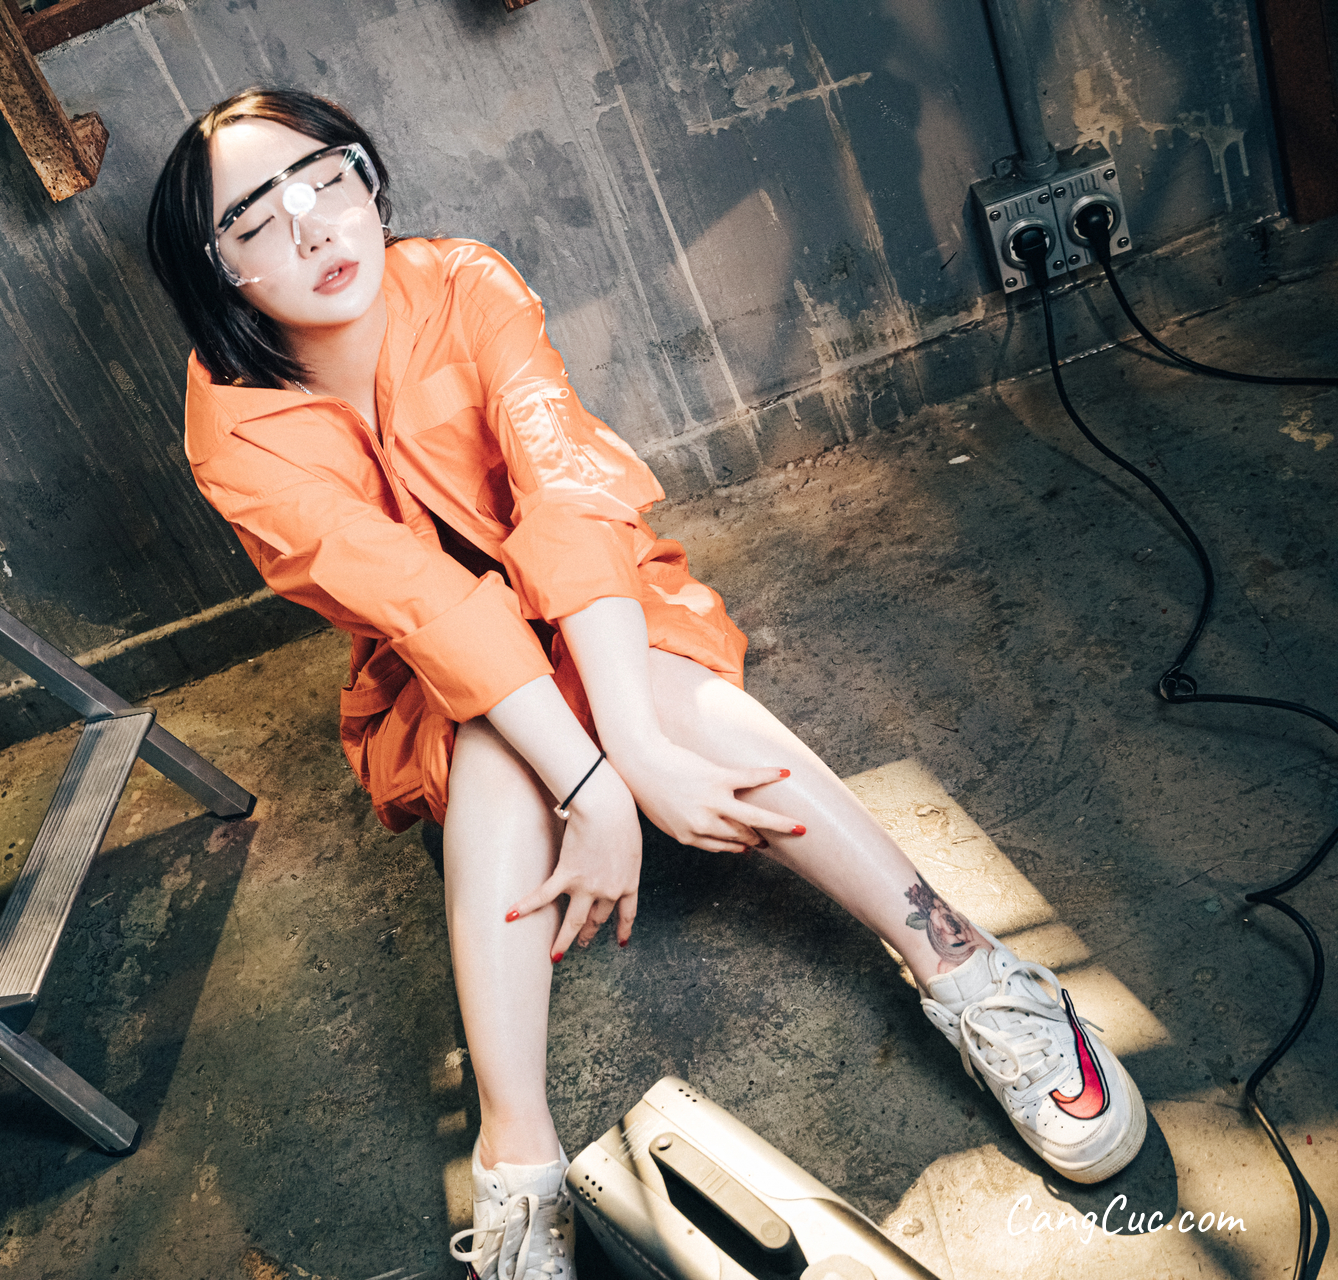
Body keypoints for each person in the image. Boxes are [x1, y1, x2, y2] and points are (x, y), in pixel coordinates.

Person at [147, 87, 1145, 1280]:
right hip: (439, 679)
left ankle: (963, 958)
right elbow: (422, 603)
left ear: (368, 178)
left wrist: (629, 736)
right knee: (494, 757)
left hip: (607, 611)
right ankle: (516, 1147)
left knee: (670, 698)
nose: (313, 224)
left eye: (328, 176)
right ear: (216, 268)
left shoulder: (466, 282)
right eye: (256, 217)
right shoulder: (230, 426)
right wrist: (596, 788)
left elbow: (567, 491)